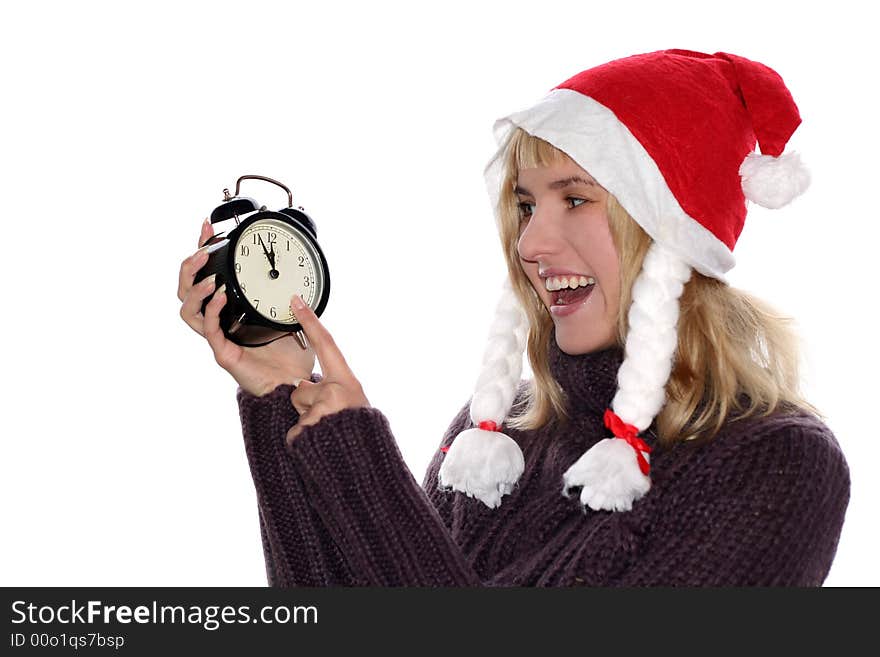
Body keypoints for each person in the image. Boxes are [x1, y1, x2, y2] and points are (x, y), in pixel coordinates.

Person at [177, 49, 850, 586]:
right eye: (526, 204)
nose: (530, 244)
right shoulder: (495, 437)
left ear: (668, 232)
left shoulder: (775, 464)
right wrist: (284, 402)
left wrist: (361, 456)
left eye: (576, 199)